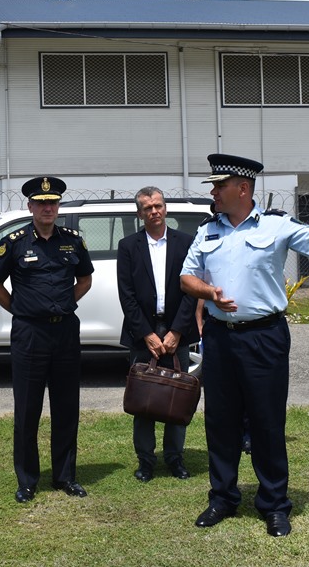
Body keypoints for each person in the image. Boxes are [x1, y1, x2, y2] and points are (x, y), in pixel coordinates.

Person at [180, 154, 309, 538]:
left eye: (219, 185)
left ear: (242, 188)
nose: (212, 192)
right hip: (219, 337)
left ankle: (274, 505)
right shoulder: (207, 230)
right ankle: (223, 498)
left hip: (263, 337)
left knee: (266, 422)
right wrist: (209, 291)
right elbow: (186, 277)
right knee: (220, 421)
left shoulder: (278, 226)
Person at [0, 176, 94, 503]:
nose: (48, 208)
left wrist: (65, 304)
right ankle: (28, 480)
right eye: (41, 203)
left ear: (58, 207)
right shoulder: (14, 242)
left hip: (64, 332)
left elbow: (85, 279)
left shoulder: (73, 241)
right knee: (28, 409)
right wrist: (19, 310)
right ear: (30, 206)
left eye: (53, 203)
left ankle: (65, 476)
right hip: (29, 334)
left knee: (66, 407)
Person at [117, 186, 200, 482]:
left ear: (166, 208)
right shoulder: (128, 246)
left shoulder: (185, 243)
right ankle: (146, 461)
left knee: (177, 396)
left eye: (158, 205)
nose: (154, 211)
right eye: (147, 208)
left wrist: (177, 331)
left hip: (176, 330)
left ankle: (175, 458)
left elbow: (191, 291)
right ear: (139, 214)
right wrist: (147, 335)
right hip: (144, 334)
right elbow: (126, 295)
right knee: (145, 399)